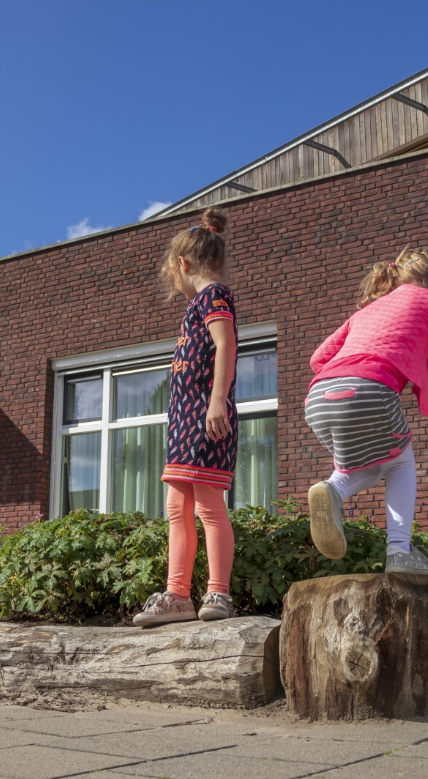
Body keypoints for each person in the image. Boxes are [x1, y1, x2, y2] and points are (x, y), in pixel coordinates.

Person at [306, 247, 428, 575]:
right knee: (401, 464)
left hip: (319, 398)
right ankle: (398, 551)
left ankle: (332, 490)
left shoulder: (369, 310)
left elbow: (318, 358)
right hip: (370, 390)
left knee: (379, 461)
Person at [135, 208, 239, 627]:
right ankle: (177, 595)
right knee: (177, 509)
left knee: (210, 506)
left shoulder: (215, 295)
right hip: (184, 422)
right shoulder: (199, 301)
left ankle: (219, 592)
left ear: (183, 263)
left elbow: (226, 344)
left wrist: (217, 401)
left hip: (206, 417)